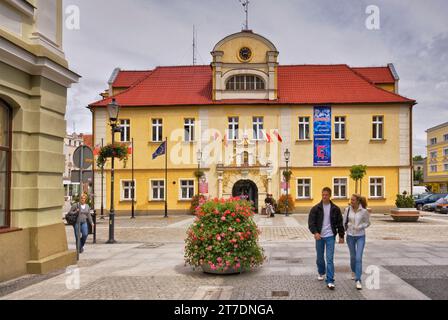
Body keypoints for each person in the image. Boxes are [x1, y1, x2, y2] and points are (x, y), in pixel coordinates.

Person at [308, 187, 345, 290]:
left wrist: (341, 236)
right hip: (319, 236)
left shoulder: (335, 209)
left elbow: (339, 223)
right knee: (320, 257)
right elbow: (311, 223)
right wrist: (315, 232)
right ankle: (321, 271)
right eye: (323, 195)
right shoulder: (316, 208)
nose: (324, 196)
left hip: (330, 236)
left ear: (330, 196)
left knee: (329, 258)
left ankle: (330, 280)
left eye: (326, 195)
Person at [343, 194, 371, 290]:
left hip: (360, 236)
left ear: (358, 201)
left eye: (353, 200)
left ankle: (358, 280)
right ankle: (353, 271)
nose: (351, 201)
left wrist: (360, 226)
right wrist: (344, 232)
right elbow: (344, 222)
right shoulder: (347, 210)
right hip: (350, 236)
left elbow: (367, 223)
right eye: (351, 200)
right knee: (353, 256)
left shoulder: (364, 211)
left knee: (358, 257)